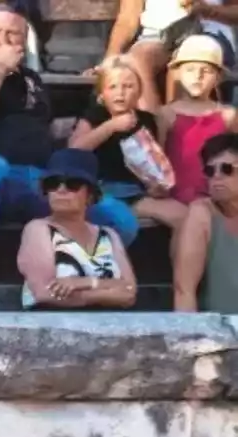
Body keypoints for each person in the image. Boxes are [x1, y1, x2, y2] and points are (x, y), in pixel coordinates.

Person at [0, 0, 138, 287]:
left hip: (40, 184)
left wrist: (74, 126)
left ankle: (75, 271)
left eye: (12, 33)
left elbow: (40, 127)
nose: (3, 40)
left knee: (121, 218)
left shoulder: (32, 80)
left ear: (24, 34)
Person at [68, 57, 187, 233]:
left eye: (128, 86)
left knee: (186, 217)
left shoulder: (147, 120)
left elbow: (154, 162)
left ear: (139, 93)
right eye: (113, 87)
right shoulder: (96, 116)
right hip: (103, 192)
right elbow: (74, 150)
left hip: (137, 193)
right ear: (102, 94)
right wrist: (110, 126)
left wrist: (156, 187)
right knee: (121, 220)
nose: (120, 92)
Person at [17, 147, 138, 309]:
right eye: (53, 184)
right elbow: (44, 293)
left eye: (72, 184)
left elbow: (130, 292)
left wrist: (83, 283)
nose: (61, 190)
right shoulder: (38, 229)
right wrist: (110, 293)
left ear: (90, 195)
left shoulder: (109, 235)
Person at [99, 0, 238, 110]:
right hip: (157, 35)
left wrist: (209, 10)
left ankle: (181, 135)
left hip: (208, 33)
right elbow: (128, 19)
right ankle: (153, 132)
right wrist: (110, 58)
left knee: (187, 60)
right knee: (135, 60)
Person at [157, 35, 238, 207]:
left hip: (219, 199)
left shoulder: (228, 115)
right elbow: (157, 161)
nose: (198, 76)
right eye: (190, 69)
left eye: (206, 70)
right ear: (178, 73)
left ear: (217, 77)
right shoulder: (166, 114)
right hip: (179, 199)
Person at [174, 131, 238, 309]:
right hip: (220, 332)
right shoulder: (202, 214)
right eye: (210, 171)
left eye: (226, 169)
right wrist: (188, 336)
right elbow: (184, 290)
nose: (216, 176)